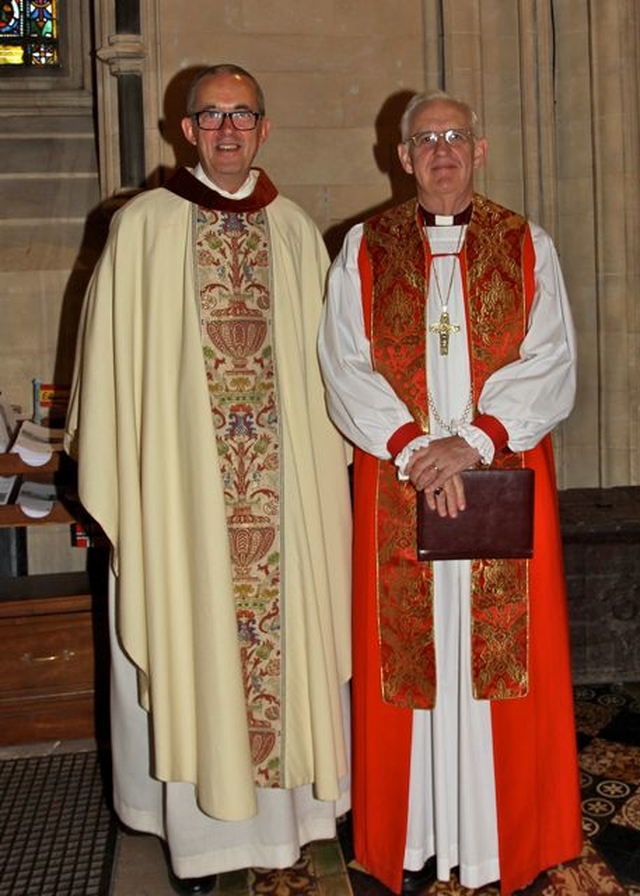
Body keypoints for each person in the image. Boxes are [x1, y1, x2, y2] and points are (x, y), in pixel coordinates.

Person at [64, 64, 352, 896]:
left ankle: (291, 823)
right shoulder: (145, 227)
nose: (227, 129)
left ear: (264, 129)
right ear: (185, 131)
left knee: (287, 634)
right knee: (191, 630)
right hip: (186, 504)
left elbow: (332, 376)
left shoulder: (294, 231)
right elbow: (111, 371)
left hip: (282, 503)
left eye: (242, 115)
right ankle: (200, 846)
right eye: (211, 116)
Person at [318, 90, 582, 895]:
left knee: (502, 661)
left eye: (455, 136)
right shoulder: (365, 245)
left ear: (482, 148)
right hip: (399, 482)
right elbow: (343, 360)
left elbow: (552, 358)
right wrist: (410, 447)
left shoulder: (525, 243)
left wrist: (472, 442)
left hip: (495, 474)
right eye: (425, 138)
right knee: (411, 660)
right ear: (400, 157)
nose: (441, 150)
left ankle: (504, 840)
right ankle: (416, 832)